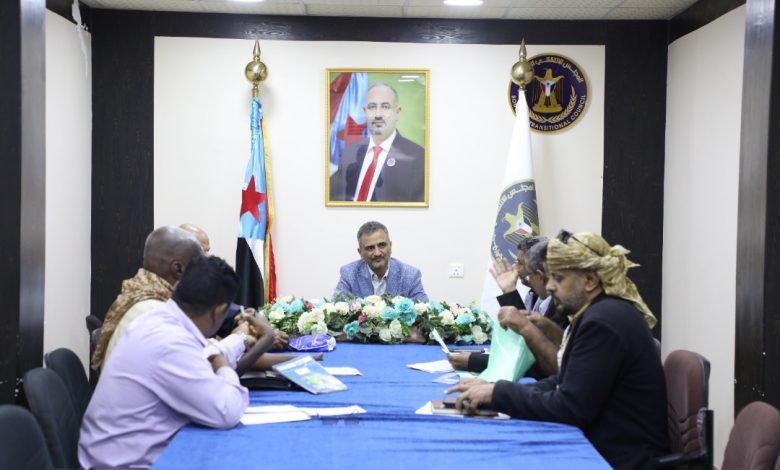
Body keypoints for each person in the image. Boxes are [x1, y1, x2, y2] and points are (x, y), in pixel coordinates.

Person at [447, 231, 669, 469]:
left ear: (590, 281)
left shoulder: (603, 322)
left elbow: (570, 408)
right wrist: (495, 388)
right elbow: (563, 382)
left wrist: (499, 394)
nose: (550, 287)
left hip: (620, 459)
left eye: (559, 279)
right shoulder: (598, 312)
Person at [79, 255, 268, 468]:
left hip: (116, 454)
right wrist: (224, 367)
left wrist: (240, 340)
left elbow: (206, 354)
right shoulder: (171, 342)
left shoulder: (157, 318)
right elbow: (227, 411)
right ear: (218, 312)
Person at [448, 237, 565, 376]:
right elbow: (523, 341)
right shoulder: (534, 295)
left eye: (521, 264)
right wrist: (509, 291)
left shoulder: (563, 308)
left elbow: (536, 361)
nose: (516, 270)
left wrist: (476, 361)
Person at [329, 83, 425, 203]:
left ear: (397, 113)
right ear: (365, 112)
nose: (378, 115)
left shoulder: (418, 158)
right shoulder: (349, 153)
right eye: (372, 107)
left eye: (385, 107)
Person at [335, 221, 428, 301]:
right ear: (360, 252)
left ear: (390, 246)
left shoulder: (410, 275)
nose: (377, 253)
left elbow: (424, 309)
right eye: (370, 248)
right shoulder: (349, 274)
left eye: (382, 245)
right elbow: (336, 307)